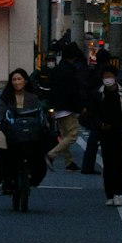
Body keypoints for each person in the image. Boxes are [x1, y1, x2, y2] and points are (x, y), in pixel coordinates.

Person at [0, 67, 49, 211]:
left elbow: (40, 113)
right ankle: (6, 180)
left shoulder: (33, 97)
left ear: (25, 80)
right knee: (3, 154)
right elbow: (0, 112)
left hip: (31, 133)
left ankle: (33, 178)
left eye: (19, 79)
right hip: (12, 132)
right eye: (14, 79)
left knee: (39, 154)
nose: (17, 82)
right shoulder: (6, 96)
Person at [91, 61, 122, 206]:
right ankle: (109, 194)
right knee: (108, 164)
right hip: (105, 133)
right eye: (105, 76)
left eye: (110, 76)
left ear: (115, 77)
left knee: (119, 163)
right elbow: (92, 114)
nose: (107, 79)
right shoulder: (98, 94)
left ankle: (118, 193)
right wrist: (100, 124)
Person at [46, 42, 87, 172]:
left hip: (58, 106)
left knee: (64, 136)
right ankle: (51, 155)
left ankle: (69, 162)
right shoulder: (71, 71)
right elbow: (74, 92)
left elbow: (50, 89)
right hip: (68, 107)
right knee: (73, 135)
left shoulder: (57, 69)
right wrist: (80, 107)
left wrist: (51, 107)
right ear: (74, 57)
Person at [80, 47, 114, 175]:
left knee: (94, 139)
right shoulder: (108, 74)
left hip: (94, 109)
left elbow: (87, 90)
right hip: (107, 109)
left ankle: (87, 165)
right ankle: (114, 165)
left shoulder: (92, 73)